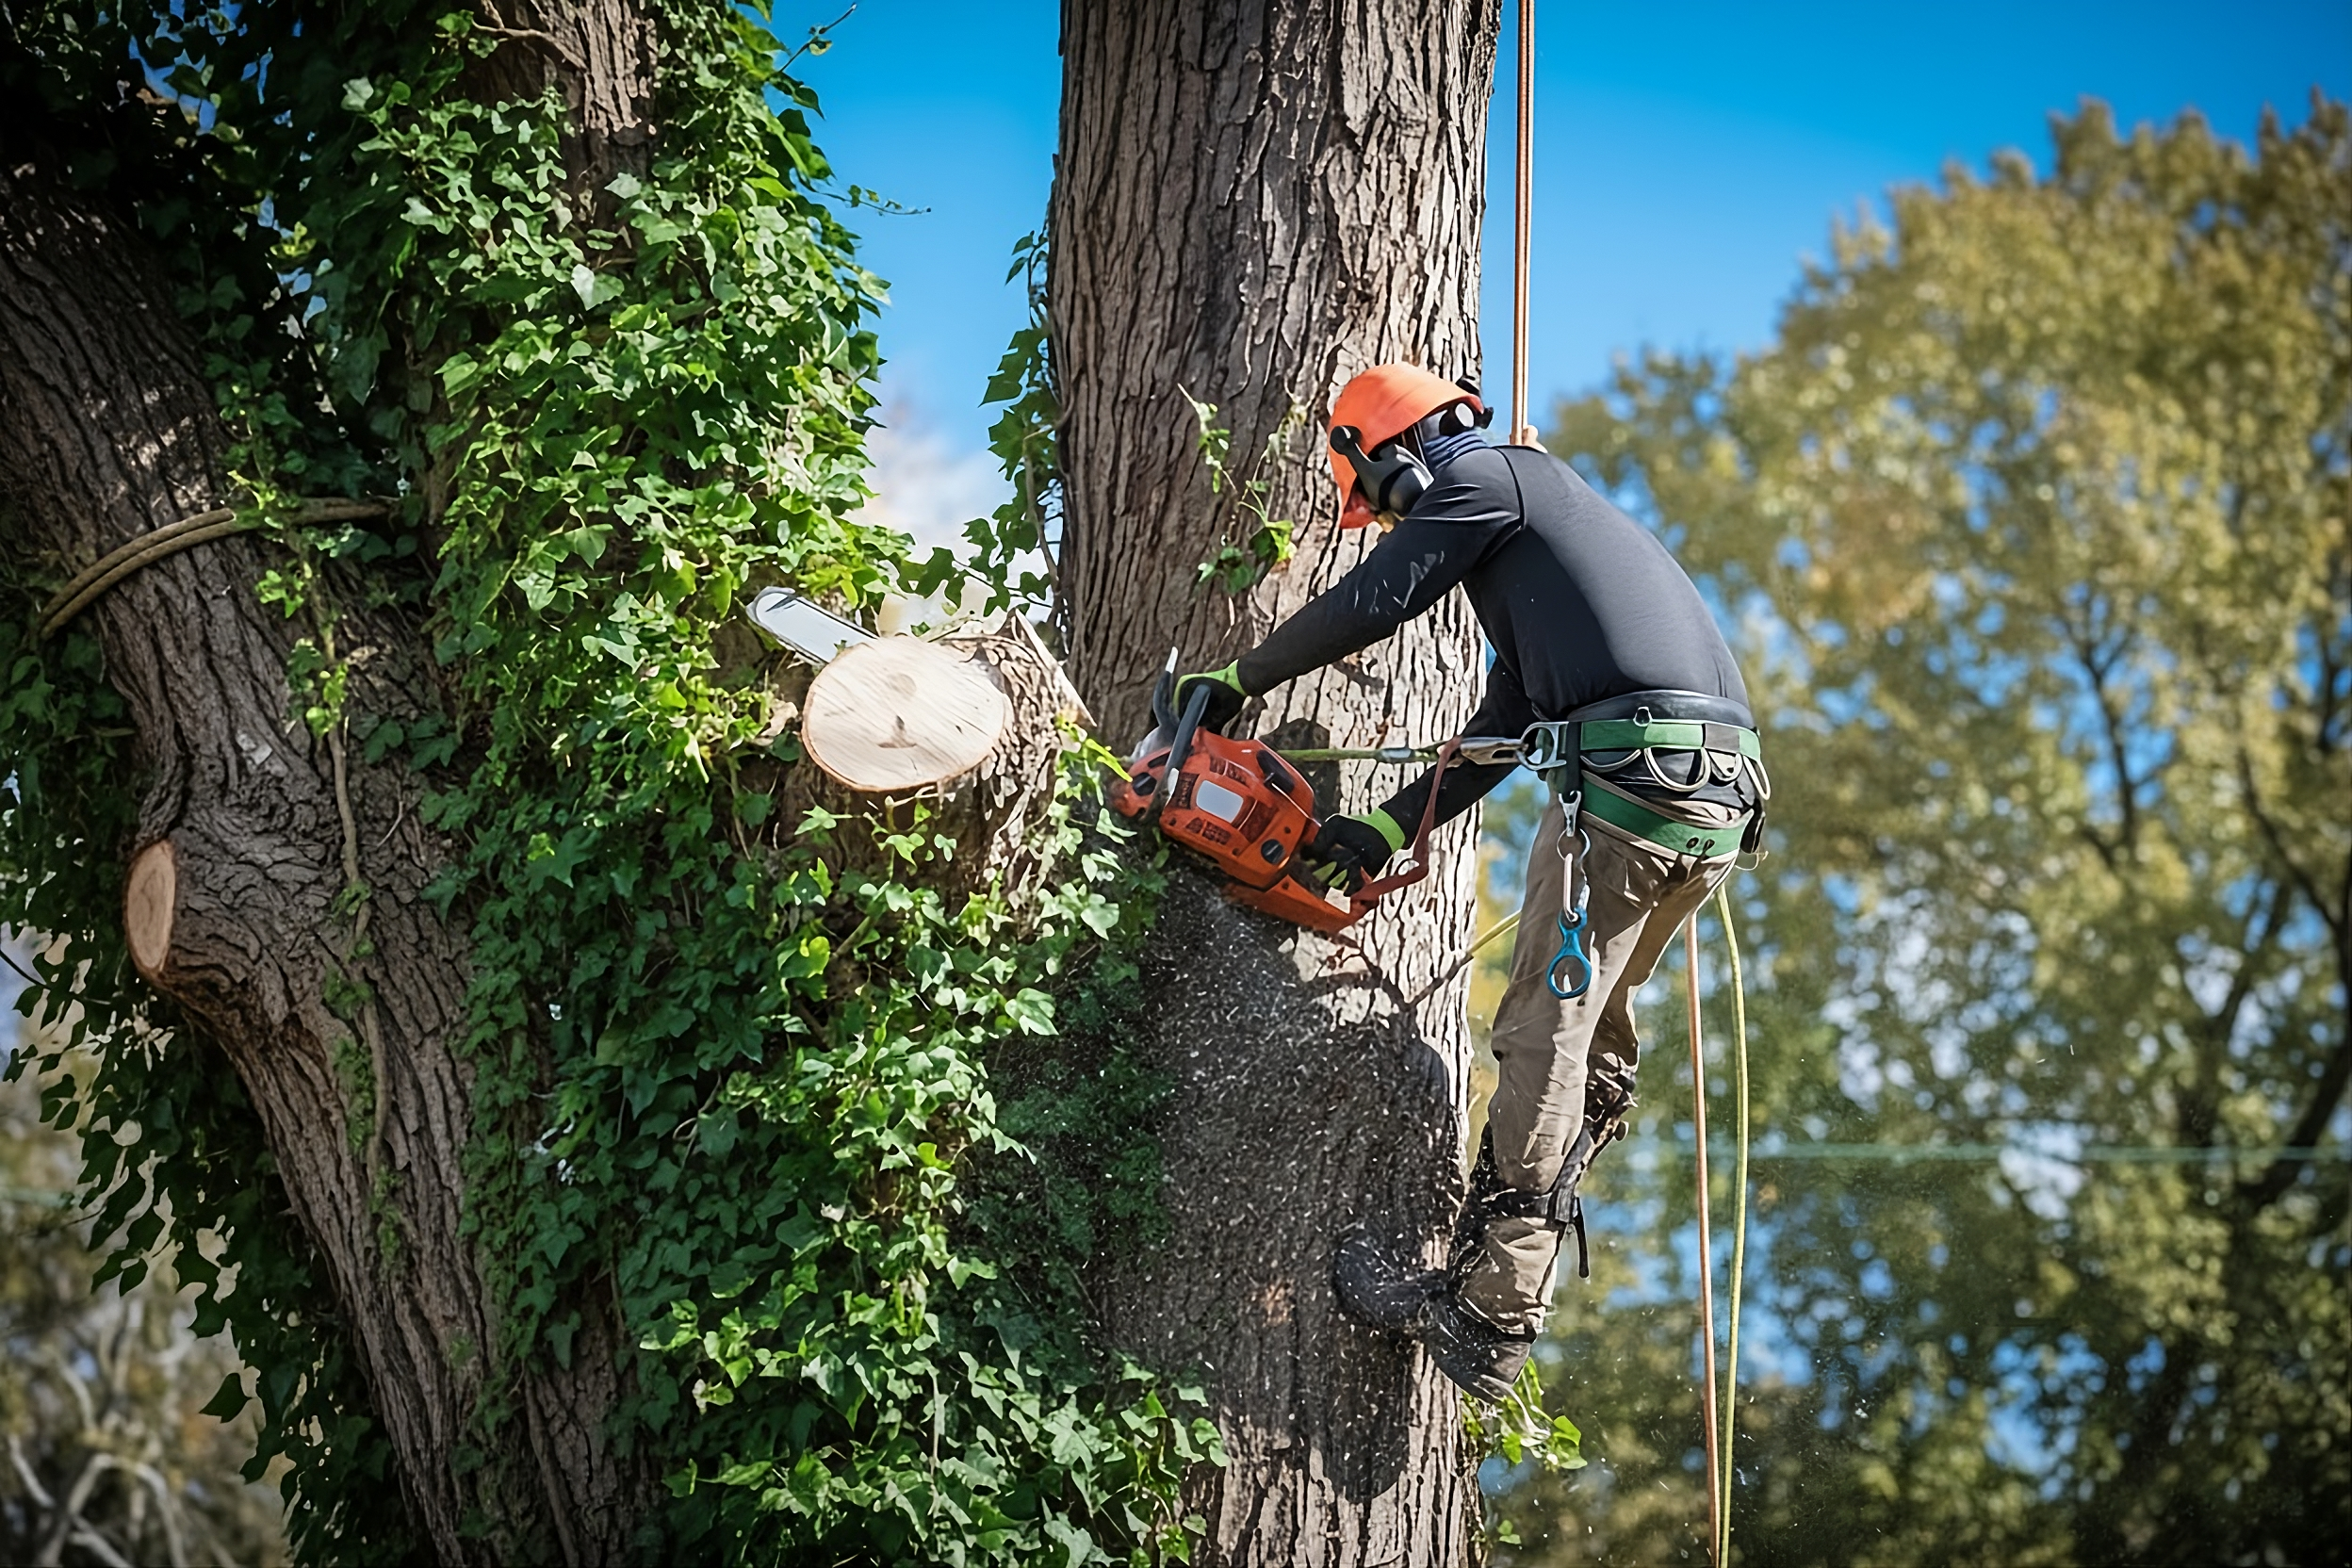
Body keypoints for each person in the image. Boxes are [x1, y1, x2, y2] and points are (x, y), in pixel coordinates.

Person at [1169, 363, 1768, 1400]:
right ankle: (1516, 1241)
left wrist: (1239, 678)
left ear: (1396, 452)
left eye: (1381, 493)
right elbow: (1498, 736)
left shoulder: (1497, 477)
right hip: (1705, 803)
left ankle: (1492, 1311)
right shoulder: (1544, 543)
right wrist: (1380, 830)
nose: (1392, 516)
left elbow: (1377, 598)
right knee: (1588, 1041)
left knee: (1543, 1035)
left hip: (1628, 792)